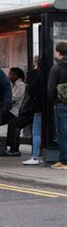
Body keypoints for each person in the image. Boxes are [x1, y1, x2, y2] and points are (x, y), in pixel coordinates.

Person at [47, 42, 67, 170]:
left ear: (59, 53)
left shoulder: (56, 68)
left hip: (62, 104)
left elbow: (51, 89)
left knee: (63, 132)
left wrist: (55, 101)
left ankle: (64, 160)